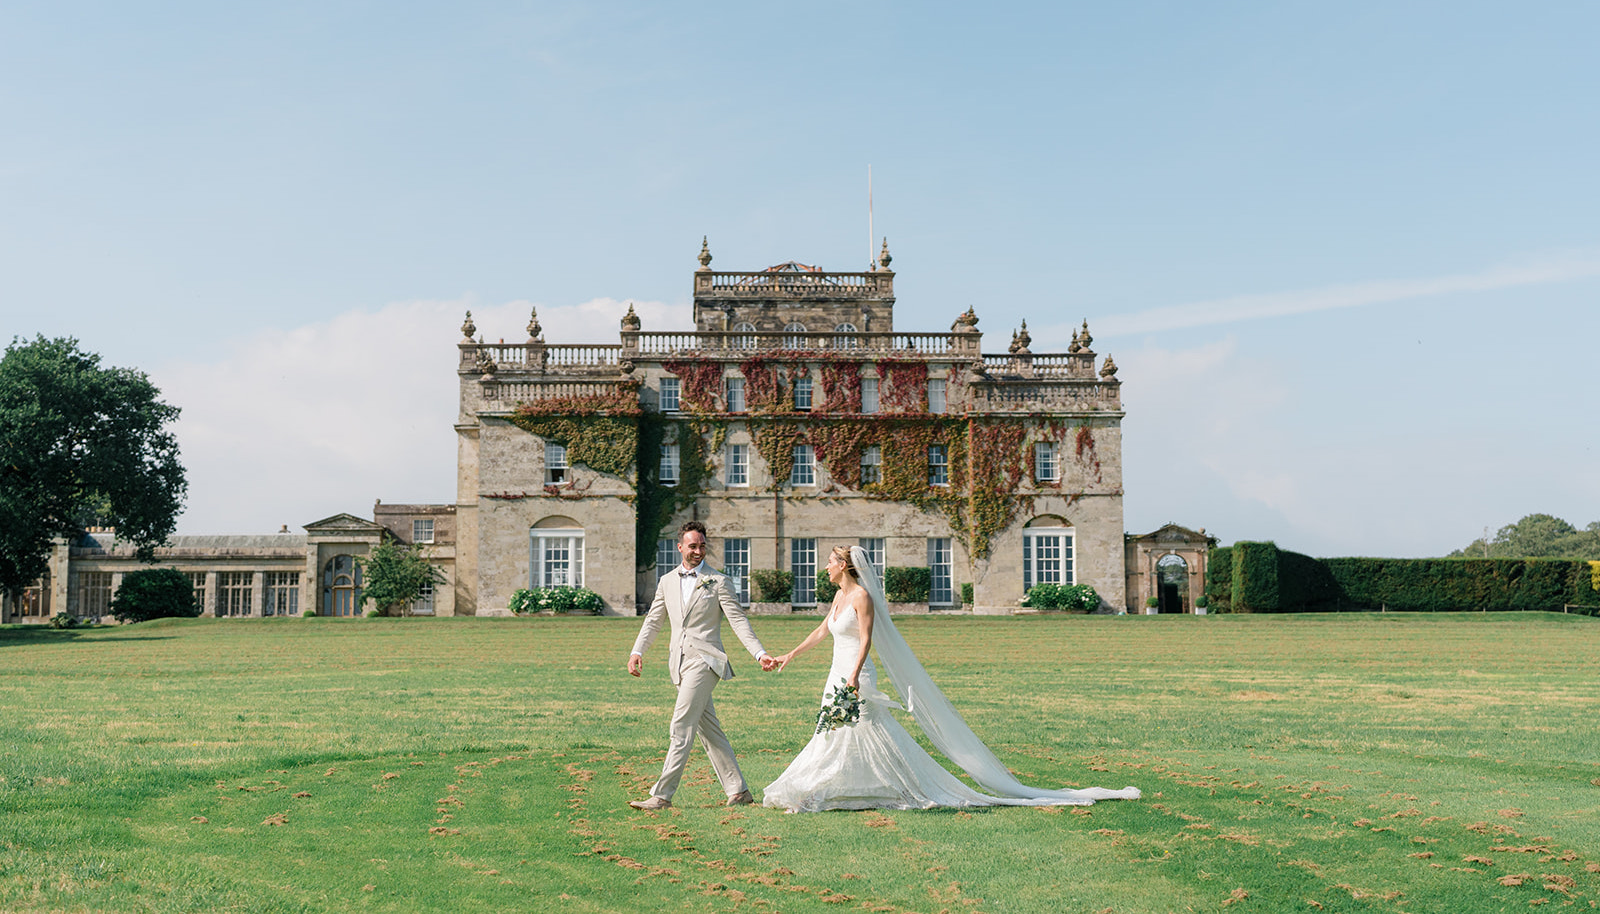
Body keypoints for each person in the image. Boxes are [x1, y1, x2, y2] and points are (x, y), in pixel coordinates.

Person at [761, 545, 1140, 812]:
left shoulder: (861, 597)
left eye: (829, 563)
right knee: (837, 731)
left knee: (861, 730)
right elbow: (822, 631)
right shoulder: (839, 598)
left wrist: (856, 676)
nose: (824, 568)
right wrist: (789, 655)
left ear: (844, 566)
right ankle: (838, 788)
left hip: (854, 674)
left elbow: (865, 640)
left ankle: (844, 789)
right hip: (835, 673)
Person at [628, 520, 775, 810]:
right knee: (708, 729)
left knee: (681, 724)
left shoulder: (718, 581)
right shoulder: (667, 581)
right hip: (679, 663)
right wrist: (637, 651)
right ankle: (739, 791)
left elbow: (738, 621)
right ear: (680, 547)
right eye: (692, 546)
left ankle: (662, 795)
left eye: (702, 546)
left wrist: (759, 653)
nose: (698, 551)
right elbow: (654, 620)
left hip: (706, 661)